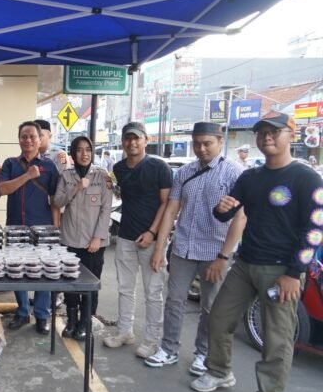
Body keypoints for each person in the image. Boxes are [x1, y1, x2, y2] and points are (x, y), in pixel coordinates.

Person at [191, 112, 322, 392]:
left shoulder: (307, 179)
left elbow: (315, 229)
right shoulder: (250, 177)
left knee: (277, 338)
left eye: (274, 132)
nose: (267, 138)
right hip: (245, 264)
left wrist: (294, 272)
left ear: (291, 135)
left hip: (282, 271)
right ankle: (219, 372)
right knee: (219, 319)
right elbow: (227, 213)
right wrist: (220, 209)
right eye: (262, 133)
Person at [146, 122, 245, 374]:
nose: (201, 149)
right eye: (197, 143)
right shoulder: (185, 172)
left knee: (210, 307)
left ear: (220, 142)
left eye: (207, 143)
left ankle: (203, 354)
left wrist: (224, 256)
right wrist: (160, 247)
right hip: (183, 249)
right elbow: (171, 209)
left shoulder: (234, 174)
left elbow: (241, 218)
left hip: (215, 252)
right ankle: (168, 349)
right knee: (174, 301)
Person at [103, 122, 172, 358]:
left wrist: (153, 233)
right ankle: (124, 331)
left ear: (146, 140)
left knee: (153, 292)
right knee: (124, 288)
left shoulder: (159, 167)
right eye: (127, 138)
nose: (132, 143)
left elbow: (167, 204)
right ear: (122, 141)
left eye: (136, 138)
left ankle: (152, 340)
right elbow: (119, 193)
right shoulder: (119, 168)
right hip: (125, 236)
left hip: (152, 240)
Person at [0, 121, 61, 335]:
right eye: (24, 136)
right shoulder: (10, 164)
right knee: (17, 270)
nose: (28, 140)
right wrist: (27, 176)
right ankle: (23, 311)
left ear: (40, 139)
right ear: (19, 139)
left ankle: (42, 314)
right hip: (16, 225)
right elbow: (3, 188)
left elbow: (54, 199)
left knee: (42, 270)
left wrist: (55, 227)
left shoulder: (50, 166)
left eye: (32, 136)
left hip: (42, 226)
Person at [52, 136, 112, 340]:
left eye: (88, 150)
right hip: (69, 238)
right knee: (70, 283)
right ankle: (71, 320)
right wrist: (76, 188)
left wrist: (98, 237)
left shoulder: (102, 176)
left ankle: (86, 320)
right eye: (79, 150)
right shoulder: (66, 176)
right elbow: (58, 202)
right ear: (73, 153)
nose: (84, 154)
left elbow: (106, 210)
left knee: (90, 284)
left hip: (93, 242)